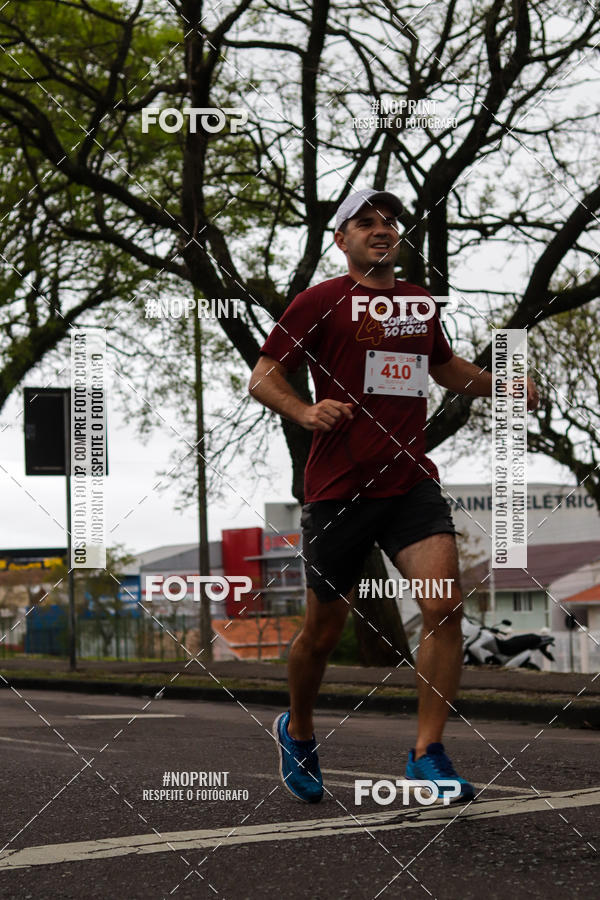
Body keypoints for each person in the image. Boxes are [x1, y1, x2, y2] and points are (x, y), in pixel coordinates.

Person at [248, 187, 539, 804]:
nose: (382, 230)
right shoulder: (320, 301)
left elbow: (445, 368)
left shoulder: (417, 304)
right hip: (338, 488)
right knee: (321, 635)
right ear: (342, 239)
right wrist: (304, 410)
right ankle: (296, 728)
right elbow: (265, 373)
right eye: (366, 223)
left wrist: (500, 386)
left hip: (410, 481)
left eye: (389, 222)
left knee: (443, 606)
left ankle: (426, 754)